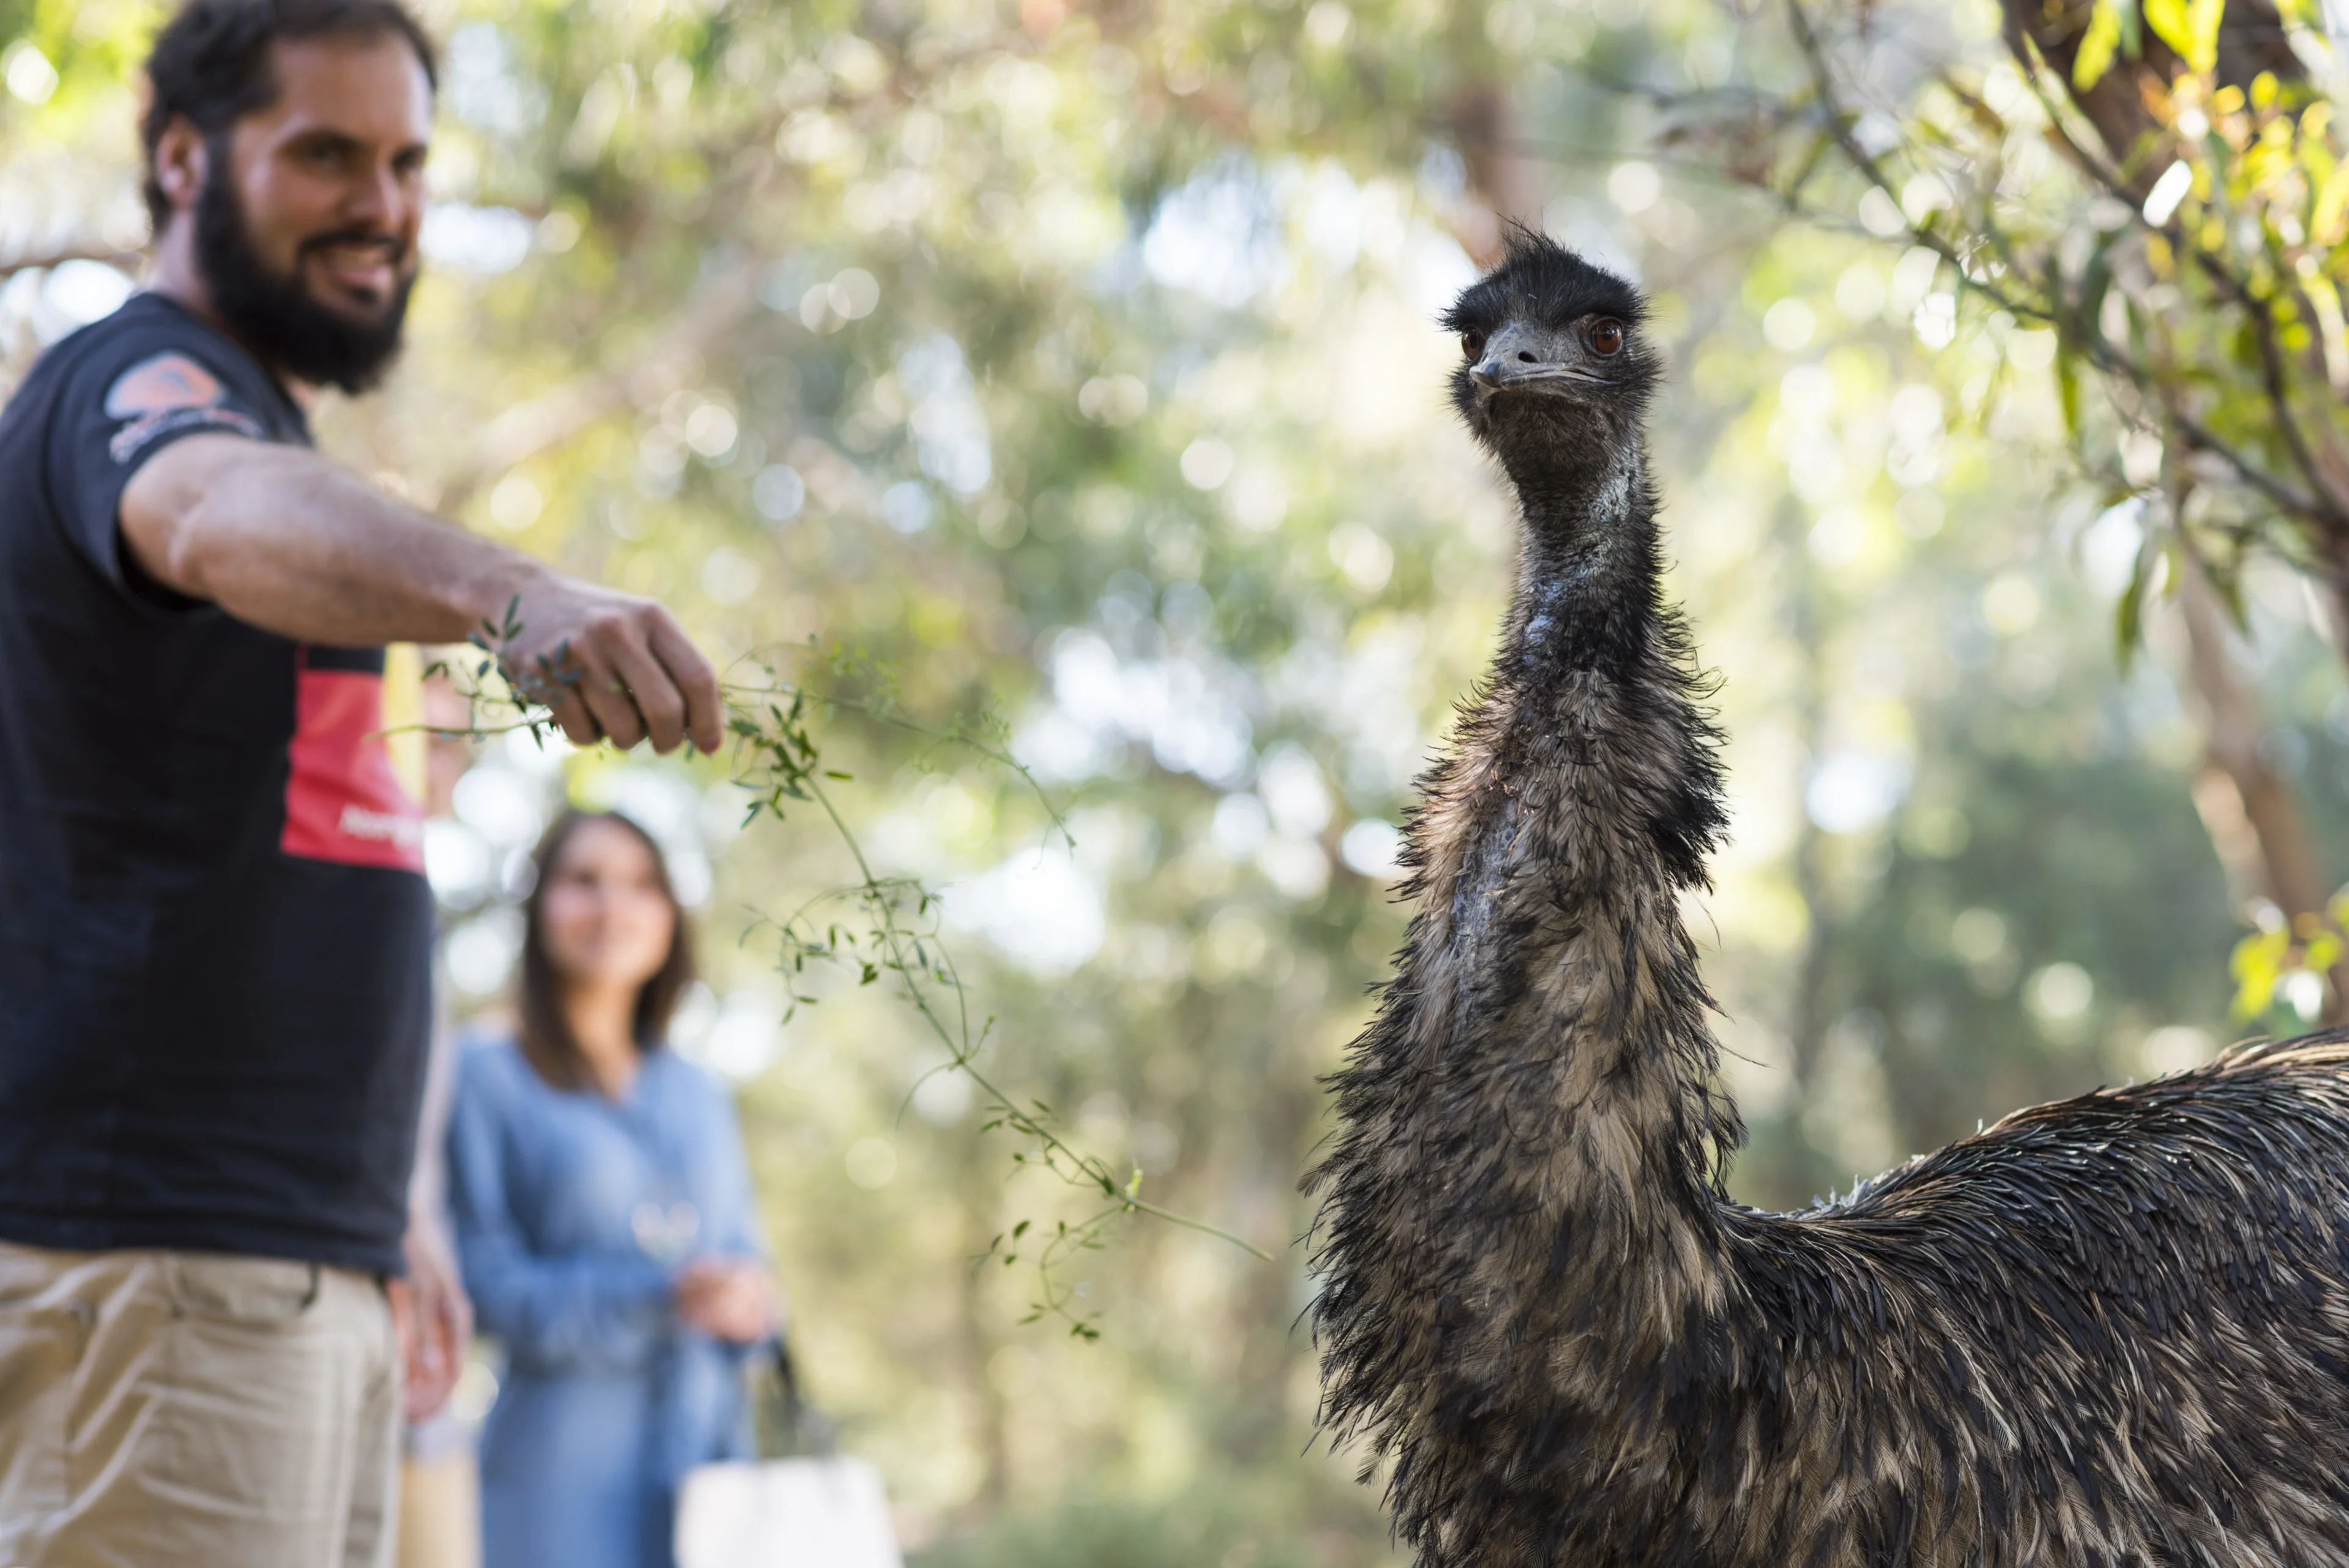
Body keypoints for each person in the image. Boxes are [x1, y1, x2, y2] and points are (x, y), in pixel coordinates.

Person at [0, 2, 724, 1562]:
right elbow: (198, 505)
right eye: (325, 154)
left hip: (285, 1267)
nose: (383, 204)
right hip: (160, 1265)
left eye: (405, 161)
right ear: (182, 158)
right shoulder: (140, 387)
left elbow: (311, 883)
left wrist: (388, 1207)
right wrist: (504, 589)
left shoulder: (278, 440)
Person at [448, 810, 776, 1568]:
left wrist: (750, 1300)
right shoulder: (485, 1074)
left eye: (640, 884)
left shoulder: (699, 1092)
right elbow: (481, 1285)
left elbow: (757, 1272)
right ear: (538, 908)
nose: (612, 906)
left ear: (671, 915)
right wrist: (658, 1296)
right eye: (582, 881)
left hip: (712, 1480)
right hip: (558, 1485)